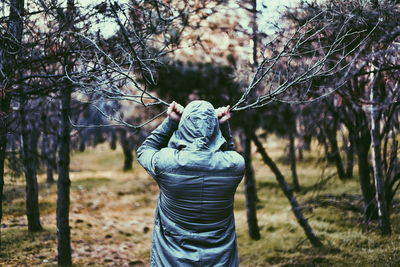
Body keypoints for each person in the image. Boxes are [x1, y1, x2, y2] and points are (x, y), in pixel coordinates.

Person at [137, 100, 245, 266]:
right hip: (220, 260)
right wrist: (222, 126)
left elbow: (145, 150)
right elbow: (229, 153)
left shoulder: (166, 162)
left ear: (184, 125)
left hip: (171, 259)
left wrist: (171, 121)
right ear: (214, 127)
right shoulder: (235, 165)